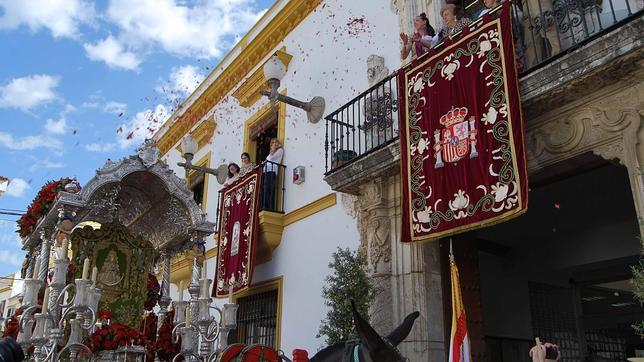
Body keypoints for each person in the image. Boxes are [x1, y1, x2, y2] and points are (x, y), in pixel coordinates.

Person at [262, 138, 283, 210]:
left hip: (272, 171)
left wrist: (273, 150)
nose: (275, 143)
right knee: (265, 189)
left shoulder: (280, 150)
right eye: (273, 142)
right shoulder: (270, 152)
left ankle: (269, 207)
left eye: (276, 142)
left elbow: (272, 158)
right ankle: (264, 205)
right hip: (266, 172)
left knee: (269, 189)